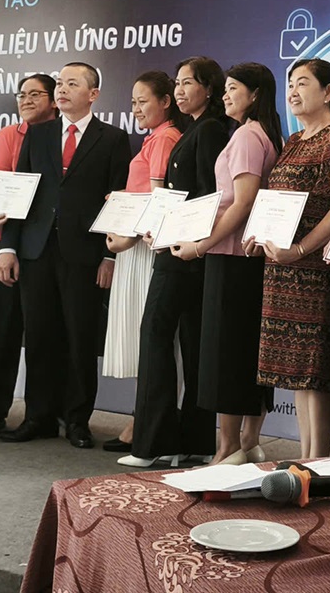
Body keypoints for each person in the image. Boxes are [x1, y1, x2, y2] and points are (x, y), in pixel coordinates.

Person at [0, 62, 130, 448]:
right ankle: (37, 417)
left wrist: (110, 257)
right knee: (39, 335)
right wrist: (8, 246)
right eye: (59, 83)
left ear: (93, 94)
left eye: (72, 83)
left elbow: (117, 200)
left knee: (80, 338)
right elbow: (20, 195)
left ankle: (76, 421)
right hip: (36, 249)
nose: (62, 89)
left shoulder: (112, 138)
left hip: (85, 252)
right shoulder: (37, 135)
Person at [170, 62, 281, 465]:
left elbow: (243, 201)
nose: (225, 95)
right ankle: (247, 442)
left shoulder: (249, 136)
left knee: (227, 353)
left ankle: (228, 447)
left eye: (233, 88)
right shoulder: (259, 133)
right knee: (244, 351)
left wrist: (202, 245)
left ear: (255, 94)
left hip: (232, 257)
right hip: (241, 256)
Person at [123, 58, 227, 468]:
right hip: (180, 246)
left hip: (183, 250)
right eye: (178, 83)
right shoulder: (195, 128)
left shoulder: (210, 129)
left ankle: (155, 443)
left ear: (210, 88)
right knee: (188, 341)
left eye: (188, 83)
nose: (180, 91)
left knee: (155, 334)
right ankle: (193, 441)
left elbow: (206, 195)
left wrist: (171, 231)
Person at [254, 59, 330, 459]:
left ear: (328, 92)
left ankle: (319, 460)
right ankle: (305, 457)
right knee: (298, 374)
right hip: (280, 267)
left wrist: (301, 249)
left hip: (314, 271)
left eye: (303, 83)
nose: (293, 92)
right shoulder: (295, 140)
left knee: (315, 371)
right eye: (290, 84)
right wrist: (258, 236)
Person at [100, 71, 183, 453]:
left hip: (145, 247)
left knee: (150, 340)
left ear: (165, 101)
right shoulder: (154, 138)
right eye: (132, 102)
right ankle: (141, 418)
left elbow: (159, 199)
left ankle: (146, 422)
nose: (135, 108)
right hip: (134, 246)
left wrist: (129, 235)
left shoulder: (165, 138)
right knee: (142, 340)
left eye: (143, 101)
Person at [0, 73, 57, 436]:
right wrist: (5, 243)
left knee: (46, 335)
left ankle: (46, 415)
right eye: (21, 94)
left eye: (35, 94)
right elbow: (0, 190)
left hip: (50, 250)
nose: (26, 100)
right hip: (9, 243)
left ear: (54, 100)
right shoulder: (10, 135)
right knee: (4, 332)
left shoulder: (65, 136)